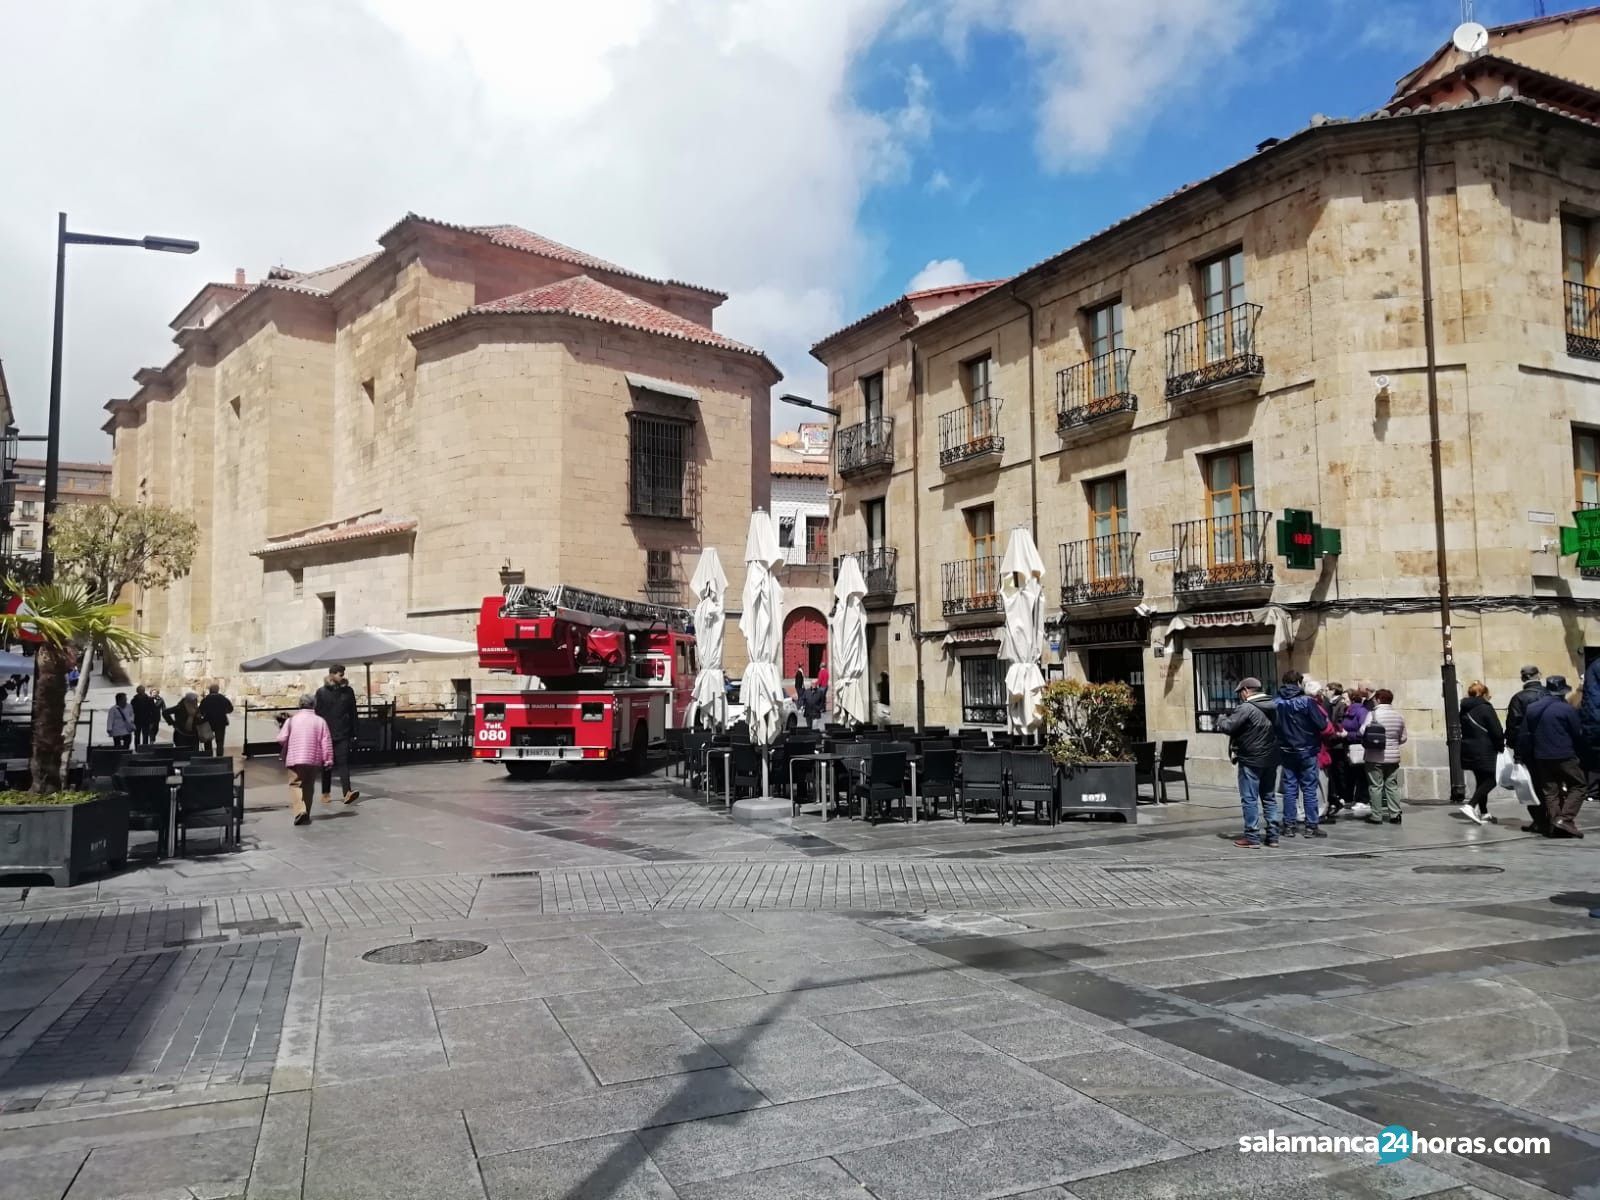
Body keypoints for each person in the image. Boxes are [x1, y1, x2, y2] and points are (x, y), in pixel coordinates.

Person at [1520, 675, 1585, 839]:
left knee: (1550, 791)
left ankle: (1555, 824)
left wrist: (1520, 755)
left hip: (1541, 756)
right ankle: (1565, 819)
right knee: (1579, 785)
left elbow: (1524, 734)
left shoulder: (1532, 708)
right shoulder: (1567, 709)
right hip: (1564, 755)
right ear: (1562, 692)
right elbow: (1577, 733)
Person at [1219, 677, 1280, 848]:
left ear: (1246, 690)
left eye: (1240, 692)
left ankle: (1252, 837)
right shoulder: (1273, 706)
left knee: (1249, 798)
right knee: (1269, 797)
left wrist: (1221, 719)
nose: (1240, 696)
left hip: (1251, 759)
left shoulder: (1246, 708)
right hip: (1271, 758)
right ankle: (1273, 836)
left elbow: (1229, 726)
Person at [1274, 670, 1330, 839]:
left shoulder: (1276, 702)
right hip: (1307, 750)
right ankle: (1311, 826)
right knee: (1309, 789)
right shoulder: (1307, 702)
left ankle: (1289, 825)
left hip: (1286, 750)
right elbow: (1321, 724)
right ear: (1299, 683)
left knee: (1290, 789)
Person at [277, 693, 334, 826]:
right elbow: (326, 742)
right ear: (314, 705)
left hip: (295, 758)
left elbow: (280, 738)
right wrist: (328, 760)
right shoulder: (320, 721)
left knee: (295, 784)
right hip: (313, 759)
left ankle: (300, 811)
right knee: (309, 786)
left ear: (300, 704)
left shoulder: (291, 720)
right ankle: (306, 813)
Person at [1505, 665, 1547, 833]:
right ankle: (1552, 817)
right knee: (1549, 784)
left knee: (1531, 785)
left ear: (1523, 679)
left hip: (1527, 748)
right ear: (1539, 675)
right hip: (1550, 746)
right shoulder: (1549, 694)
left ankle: (1539, 820)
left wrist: (1513, 746)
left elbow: (1513, 724)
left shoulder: (1519, 698)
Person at [1459, 681, 1505, 825]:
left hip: (1469, 749)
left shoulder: (1465, 709)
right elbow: (1496, 731)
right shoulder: (1485, 708)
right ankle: (1471, 805)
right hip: (1485, 749)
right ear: (1484, 694)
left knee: (1481, 780)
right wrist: (1500, 746)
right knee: (1493, 778)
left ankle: (1484, 812)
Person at [314, 664, 361, 806]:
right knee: (326, 764)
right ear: (332, 674)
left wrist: (355, 732)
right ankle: (325, 793)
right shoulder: (321, 692)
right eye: (340, 674)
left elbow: (353, 713)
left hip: (343, 732)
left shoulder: (348, 692)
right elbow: (317, 713)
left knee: (343, 763)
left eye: (343, 674)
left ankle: (347, 792)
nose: (342, 677)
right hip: (326, 734)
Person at [1360, 688, 1408, 825]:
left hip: (1374, 756)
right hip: (1393, 757)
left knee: (1375, 786)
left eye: (1375, 698)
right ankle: (1395, 814)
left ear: (1379, 699)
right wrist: (1393, 743)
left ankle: (1376, 816)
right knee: (1392, 785)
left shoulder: (1373, 714)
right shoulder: (1399, 716)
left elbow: (1362, 731)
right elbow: (1403, 738)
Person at [1339, 687, 1372, 818]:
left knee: (1360, 773)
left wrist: (1348, 734)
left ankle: (1362, 799)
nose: (1343, 700)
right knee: (1350, 773)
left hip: (1358, 746)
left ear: (1352, 698)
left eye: (1345, 698)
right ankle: (1350, 798)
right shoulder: (1347, 711)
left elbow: (1363, 730)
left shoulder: (1361, 711)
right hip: (1349, 746)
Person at [199, 682, 234, 756]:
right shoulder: (223, 698)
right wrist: (224, 712)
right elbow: (230, 709)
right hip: (221, 722)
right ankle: (219, 757)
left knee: (208, 741)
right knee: (220, 742)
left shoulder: (206, 699)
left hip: (208, 723)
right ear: (218, 690)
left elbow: (201, 711)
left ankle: (208, 756)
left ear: (210, 690)